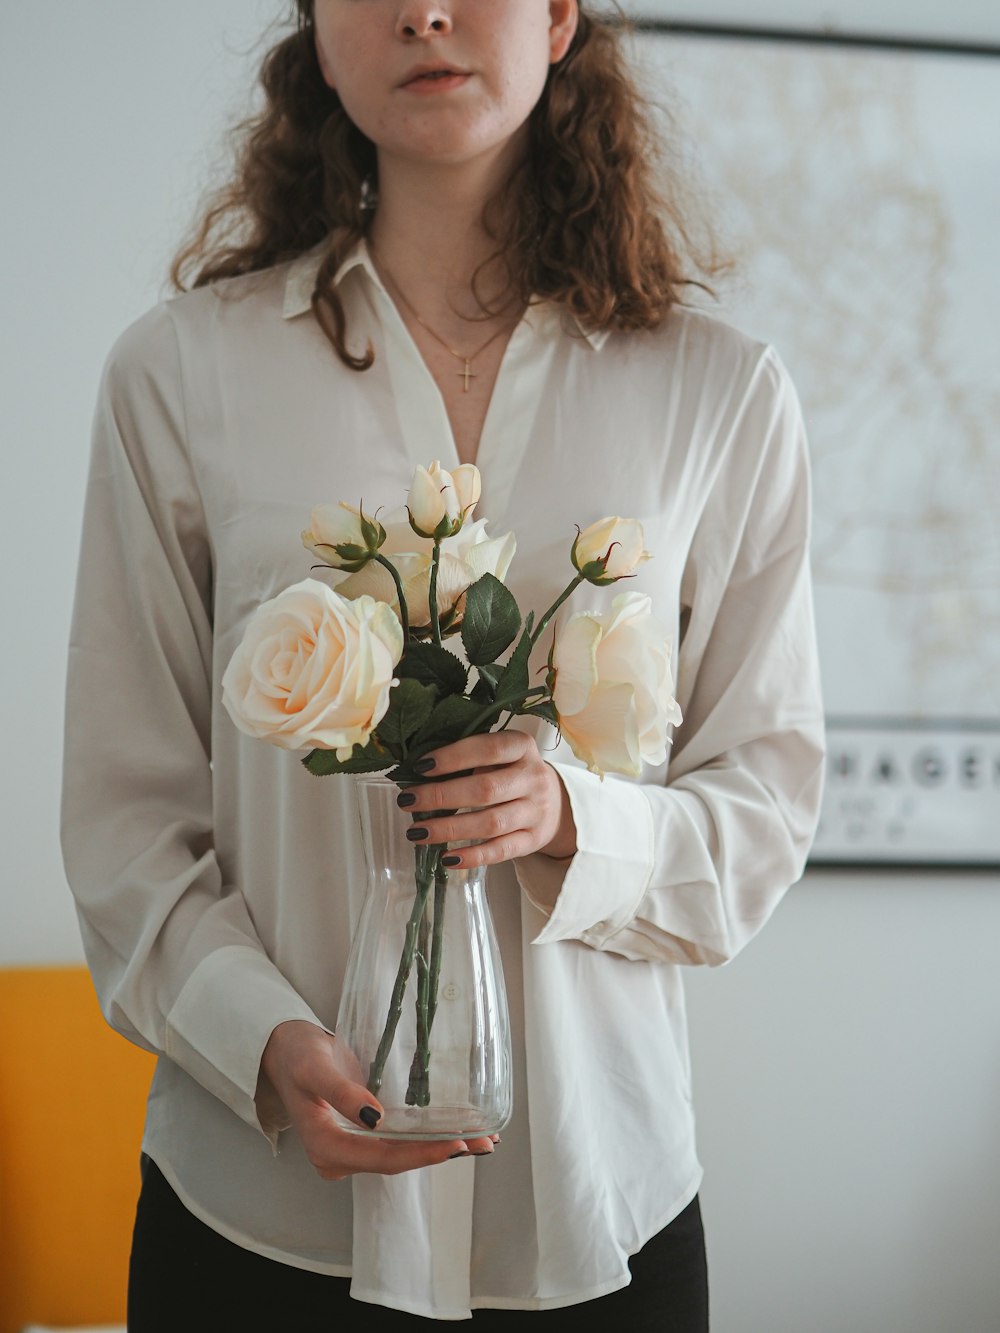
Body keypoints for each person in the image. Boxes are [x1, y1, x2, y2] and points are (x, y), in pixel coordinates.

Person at [61, 1, 825, 1328]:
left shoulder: (722, 394)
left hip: (598, 1221)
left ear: (560, 16)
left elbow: (765, 802)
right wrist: (258, 1037)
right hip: (259, 1217)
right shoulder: (183, 373)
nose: (424, 11)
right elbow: (123, 808)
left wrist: (573, 817)